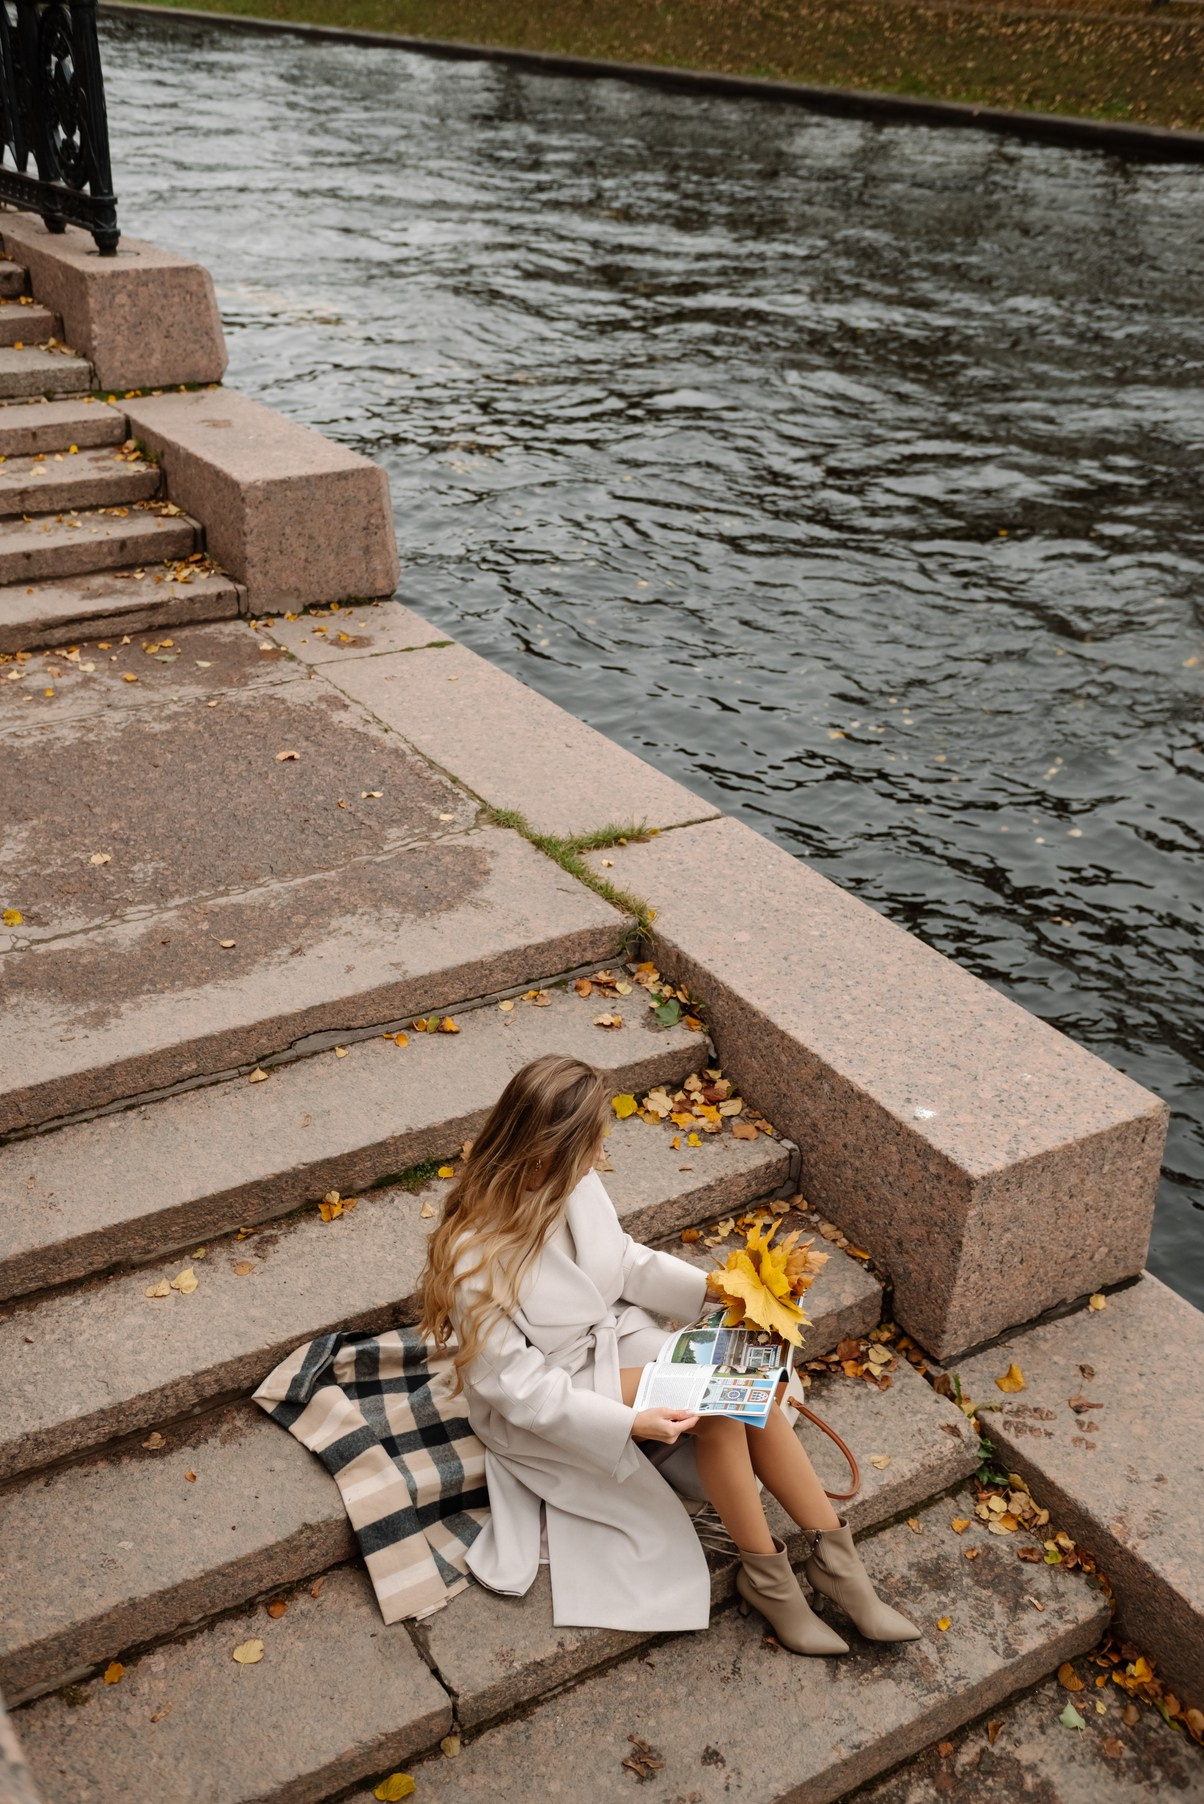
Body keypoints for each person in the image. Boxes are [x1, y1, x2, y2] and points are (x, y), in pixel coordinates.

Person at [419, 1052, 920, 1655]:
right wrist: (630, 1422)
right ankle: (770, 1581)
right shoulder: (473, 1256)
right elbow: (520, 1389)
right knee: (716, 1405)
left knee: (745, 1388)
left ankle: (841, 1571)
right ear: (544, 1154)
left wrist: (716, 1291)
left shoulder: (574, 1181)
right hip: (555, 1388)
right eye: (591, 1146)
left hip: (617, 1343)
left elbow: (624, 1261)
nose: (600, 1158)